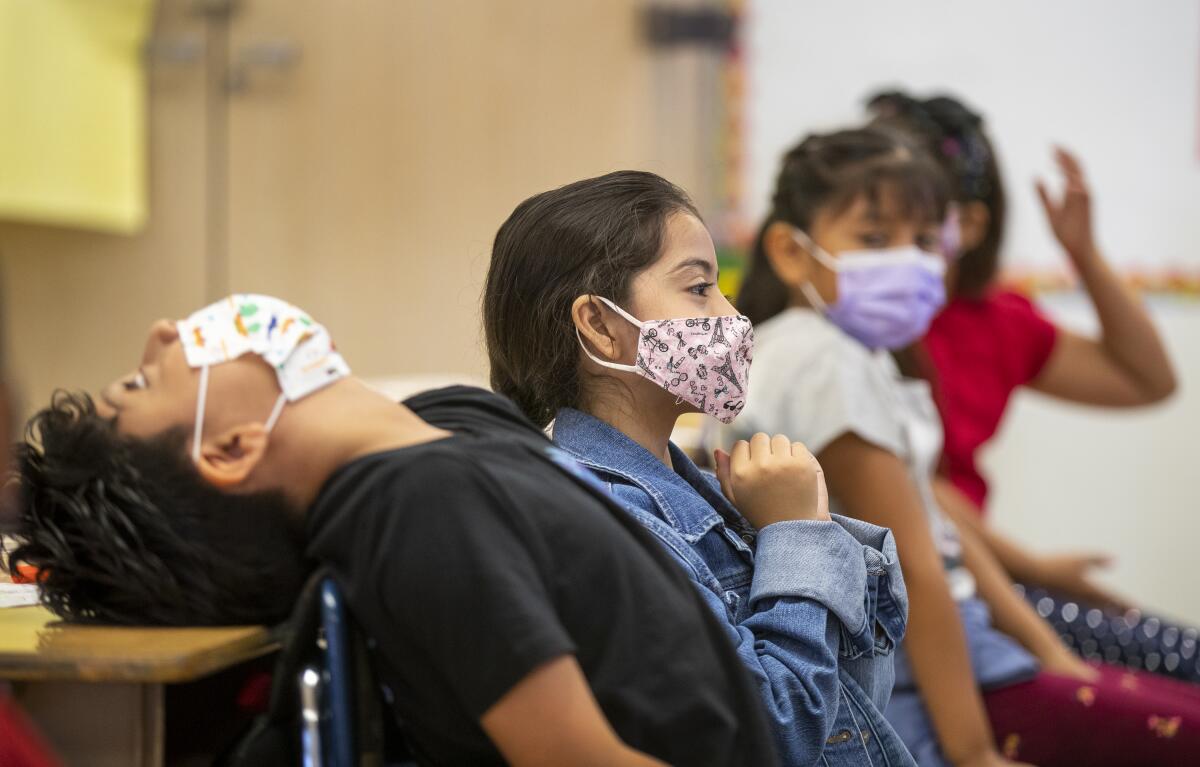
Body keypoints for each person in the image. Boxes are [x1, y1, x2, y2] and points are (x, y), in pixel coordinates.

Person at [6, 294, 781, 767]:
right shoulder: (414, 514)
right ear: (231, 448)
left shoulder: (443, 428)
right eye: (143, 383)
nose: (165, 332)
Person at [732, 124, 1200, 766]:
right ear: (790, 251)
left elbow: (934, 530)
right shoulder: (823, 363)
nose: (908, 260)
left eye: (925, 240)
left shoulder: (839, 352)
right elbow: (919, 573)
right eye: (873, 239)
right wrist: (974, 752)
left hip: (952, 653)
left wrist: (1051, 654)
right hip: (924, 680)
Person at [484, 169, 915, 766]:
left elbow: (850, 708)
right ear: (602, 327)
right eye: (698, 289)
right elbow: (777, 733)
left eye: (723, 291)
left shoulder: (704, 495)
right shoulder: (612, 518)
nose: (732, 319)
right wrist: (797, 536)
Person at [867, 90, 1196, 683]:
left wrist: (1083, 254)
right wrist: (1036, 572)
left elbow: (1147, 381)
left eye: (912, 214)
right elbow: (914, 489)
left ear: (968, 224)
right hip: (943, 587)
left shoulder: (995, 321)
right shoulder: (865, 323)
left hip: (983, 577)